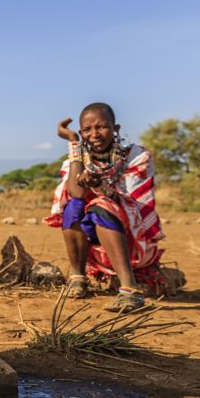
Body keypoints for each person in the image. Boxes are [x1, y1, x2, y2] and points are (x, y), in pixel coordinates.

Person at [46, 103, 166, 313]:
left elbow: (134, 207)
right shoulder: (77, 159)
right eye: (86, 130)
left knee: (100, 205)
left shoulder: (136, 156)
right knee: (73, 207)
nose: (94, 134)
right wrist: (74, 143)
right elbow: (76, 193)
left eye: (101, 127)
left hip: (132, 241)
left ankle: (130, 290)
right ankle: (78, 277)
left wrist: (99, 186)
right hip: (95, 247)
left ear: (115, 128)